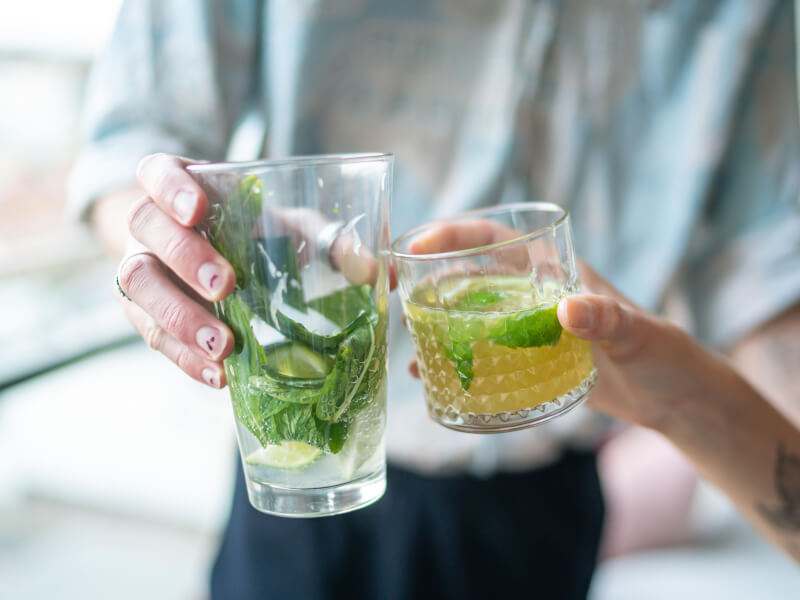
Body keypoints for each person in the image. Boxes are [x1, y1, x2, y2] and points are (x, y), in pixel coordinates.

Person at [68, 0, 800, 597]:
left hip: (541, 506)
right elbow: (136, 138)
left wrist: (694, 407)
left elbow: (767, 283)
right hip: (303, 470)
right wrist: (166, 239)